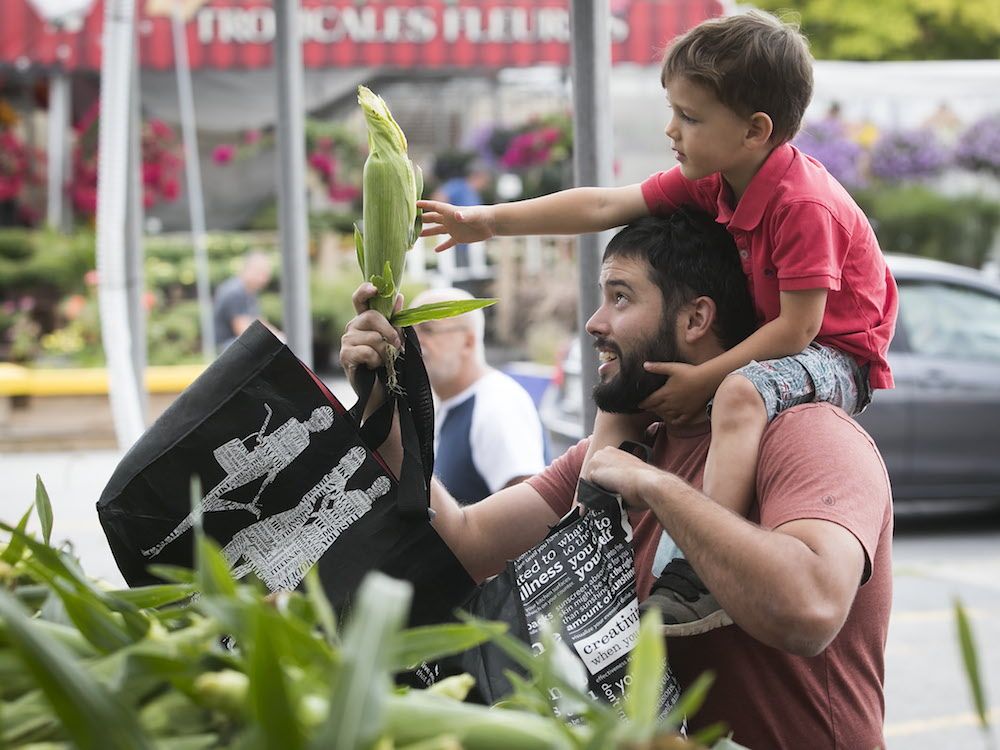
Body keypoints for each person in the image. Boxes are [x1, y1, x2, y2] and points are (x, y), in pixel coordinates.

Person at [416, 10, 897, 635]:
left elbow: (800, 331)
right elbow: (603, 202)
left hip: (837, 351)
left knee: (742, 394)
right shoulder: (715, 180)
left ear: (755, 130)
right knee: (628, 393)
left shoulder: (803, 204)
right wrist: (489, 220)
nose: (672, 129)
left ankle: (693, 574)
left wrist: (708, 381)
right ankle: (592, 531)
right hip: (782, 341)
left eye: (690, 118)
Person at [341, 211, 893, 749]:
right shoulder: (617, 452)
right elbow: (461, 542)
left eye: (621, 297)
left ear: (696, 319)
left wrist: (655, 487)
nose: (594, 323)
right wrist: (385, 399)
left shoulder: (809, 435)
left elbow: (811, 610)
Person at [409, 286, 546, 505]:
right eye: (409, 331)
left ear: (468, 342)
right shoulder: (450, 402)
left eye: (427, 329)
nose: (414, 343)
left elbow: (528, 509)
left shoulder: (497, 404)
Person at [212, 250, 280, 351]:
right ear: (249, 269)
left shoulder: (248, 291)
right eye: (262, 273)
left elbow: (259, 322)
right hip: (228, 350)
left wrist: (279, 336)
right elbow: (245, 332)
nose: (265, 279)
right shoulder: (235, 292)